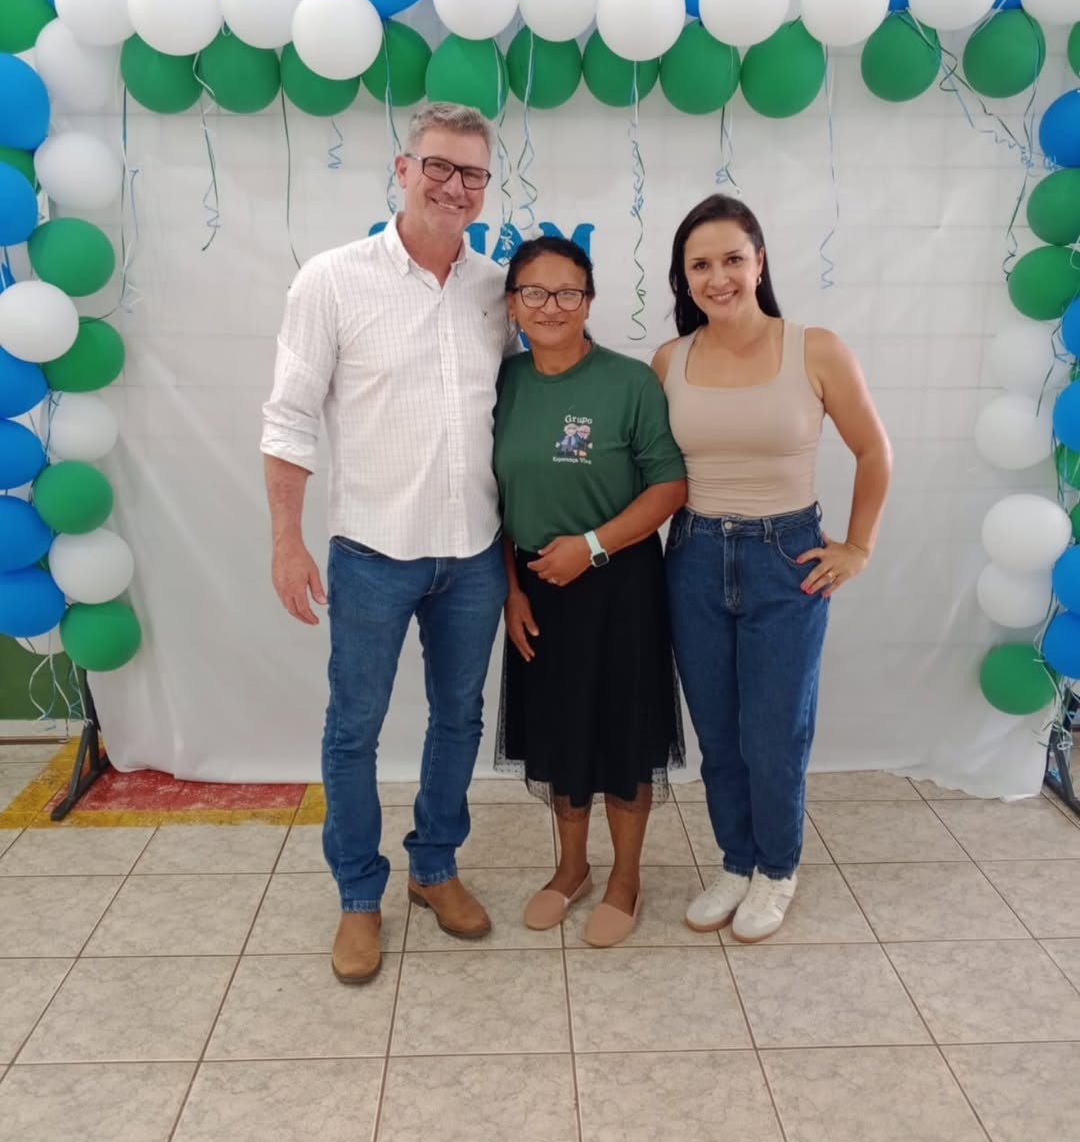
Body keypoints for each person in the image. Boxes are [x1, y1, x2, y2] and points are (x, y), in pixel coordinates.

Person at [261, 103, 516, 985]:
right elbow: (289, 418)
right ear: (403, 170)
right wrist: (287, 542)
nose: (454, 186)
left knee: (459, 719)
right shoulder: (332, 281)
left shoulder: (497, 290)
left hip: (474, 554)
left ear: (486, 188)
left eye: (472, 173)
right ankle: (358, 895)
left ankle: (434, 867)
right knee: (354, 729)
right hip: (371, 554)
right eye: (438, 166)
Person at [654, 194, 892, 944]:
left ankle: (777, 867)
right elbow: (651, 472)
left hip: (786, 560)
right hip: (693, 558)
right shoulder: (670, 360)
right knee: (718, 733)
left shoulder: (815, 350)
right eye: (700, 265)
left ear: (759, 262)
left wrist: (858, 547)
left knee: (774, 733)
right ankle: (737, 861)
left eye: (733, 258)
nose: (718, 277)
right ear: (684, 277)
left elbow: (874, 451)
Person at [493, 237, 687, 948]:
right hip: (538, 587)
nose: (551, 307)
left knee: (624, 737)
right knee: (561, 733)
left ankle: (626, 878)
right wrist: (511, 590)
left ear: (589, 301)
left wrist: (594, 546)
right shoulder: (503, 382)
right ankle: (571, 868)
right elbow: (490, 497)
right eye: (534, 293)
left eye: (567, 292)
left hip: (619, 583)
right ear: (512, 305)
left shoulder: (628, 383)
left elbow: (670, 485)